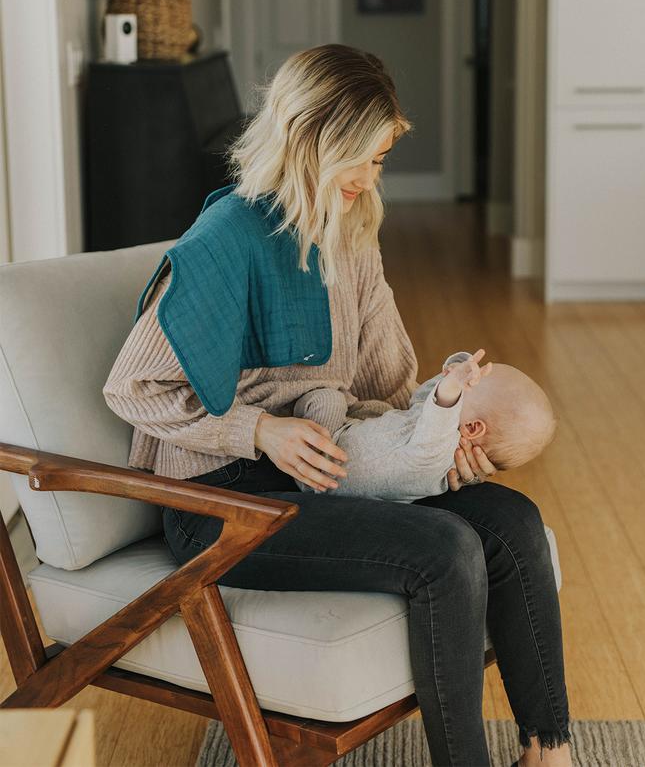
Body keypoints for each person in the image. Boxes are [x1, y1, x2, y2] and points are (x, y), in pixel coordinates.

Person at [103, 43, 572, 767]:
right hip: (221, 500)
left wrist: (436, 438)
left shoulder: (350, 231)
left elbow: (387, 382)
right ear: (311, 137)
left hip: (332, 467)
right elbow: (130, 387)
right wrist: (261, 430)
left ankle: (550, 752)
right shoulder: (226, 240)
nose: (370, 176)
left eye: (380, 158)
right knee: (445, 552)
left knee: (514, 521)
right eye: (361, 156)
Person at [291, 349, 558, 502]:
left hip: (321, 465)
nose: (463, 384)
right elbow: (423, 400)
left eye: (469, 387)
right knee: (380, 410)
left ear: (473, 428)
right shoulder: (439, 449)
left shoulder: (436, 448)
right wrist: (456, 369)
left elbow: (441, 407)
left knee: (327, 397)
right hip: (359, 473)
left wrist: (453, 383)